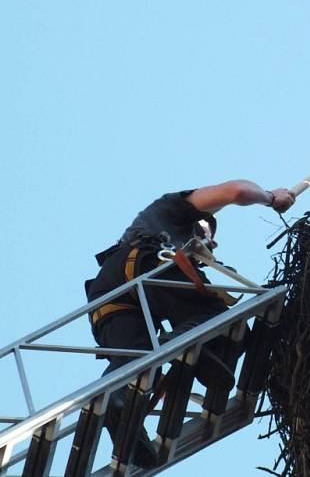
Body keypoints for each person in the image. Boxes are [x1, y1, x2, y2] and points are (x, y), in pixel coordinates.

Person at [85, 180, 295, 468]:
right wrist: (272, 197)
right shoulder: (172, 212)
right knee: (220, 318)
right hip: (148, 262)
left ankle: (126, 424)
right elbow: (235, 191)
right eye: (208, 232)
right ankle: (191, 343)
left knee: (137, 366)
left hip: (107, 295)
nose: (212, 242)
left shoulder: (152, 231)